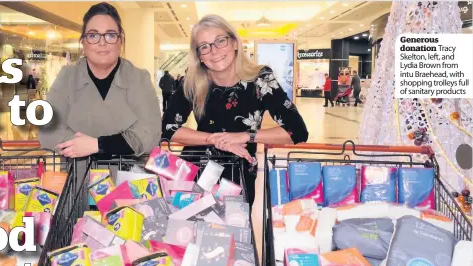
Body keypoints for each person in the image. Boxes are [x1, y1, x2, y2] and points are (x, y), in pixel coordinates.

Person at [161, 14, 309, 206]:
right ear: (199, 56)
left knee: (236, 231)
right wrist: (214, 139)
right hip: (197, 173)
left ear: (235, 43)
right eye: (204, 46)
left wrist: (245, 136)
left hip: (238, 174)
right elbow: (168, 129)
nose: (214, 51)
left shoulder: (260, 79)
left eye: (220, 41)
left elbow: (297, 131)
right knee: (191, 231)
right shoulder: (193, 81)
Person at [39, 2, 161, 160]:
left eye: (110, 35)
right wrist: (119, 143)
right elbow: (48, 131)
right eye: (93, 35)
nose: (102, 42)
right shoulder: (67, 77)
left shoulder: (139, 79)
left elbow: (150, 134)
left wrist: (97, 145)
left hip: (129, 180)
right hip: (79, 178)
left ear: (120, 40)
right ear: (83, 42)